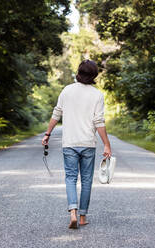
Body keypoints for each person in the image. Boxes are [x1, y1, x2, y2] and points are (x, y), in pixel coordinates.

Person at [42, 59, 112, 229]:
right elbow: (99, 122)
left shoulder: (67, 91)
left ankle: (72, 210)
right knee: (87, 180)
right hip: (88, 144)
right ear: (94, 75)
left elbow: (56, 113)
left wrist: (47, 134)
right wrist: (107, 145)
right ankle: (82, 217)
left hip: (70, 144)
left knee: (71, 178)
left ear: (78, 73)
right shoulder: (97, 95)